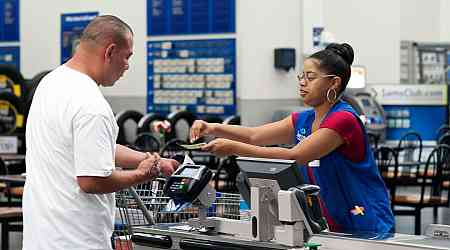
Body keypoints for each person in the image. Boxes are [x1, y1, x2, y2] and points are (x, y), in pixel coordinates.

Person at [189, 43, 394, 233]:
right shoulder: (303, 118)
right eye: (301, 77)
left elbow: (294, 157)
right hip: (329, 221)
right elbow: (254, 135)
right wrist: (212, 127)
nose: (303, 83)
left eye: (311, 78)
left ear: (334, 82)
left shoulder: (343, 119)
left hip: (365, 220)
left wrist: (234, 148)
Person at [23, 15, 179, 250]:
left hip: (41, 237)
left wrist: (151, 160)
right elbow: (92, 180)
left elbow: (95, 146)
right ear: (110, 52)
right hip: (77, 240)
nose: (127, 66)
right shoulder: (91, 105)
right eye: (127, 57)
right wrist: (141, 175)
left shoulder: (50, 83)